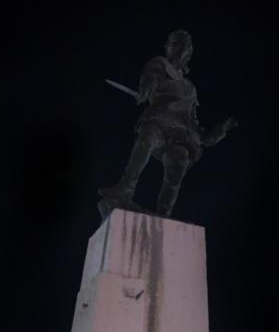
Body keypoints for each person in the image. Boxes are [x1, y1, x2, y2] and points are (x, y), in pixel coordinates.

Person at [99, 29, 237, 218]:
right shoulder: (159, 65)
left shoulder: (190, 88)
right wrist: (145, 91)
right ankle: (124, 189)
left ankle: (163, 215)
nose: (181, 50)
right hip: (159, 121)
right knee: (147, 135)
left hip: (182, 134)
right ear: (168, 47)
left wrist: (221, 129)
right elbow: (149, 80)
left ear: (189, 53)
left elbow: (196, 126)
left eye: (185, 47)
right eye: (176, 44)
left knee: (178, 164)